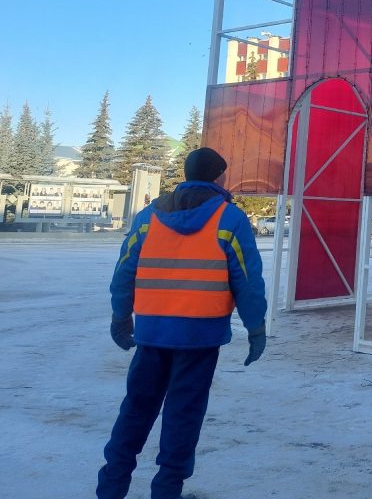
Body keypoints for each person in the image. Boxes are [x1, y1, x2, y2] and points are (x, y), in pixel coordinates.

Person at [96, 147, 267, 499]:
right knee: (183, 414)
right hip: (199, 338)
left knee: (136, 408)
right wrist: (256, 327)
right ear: (218, 177)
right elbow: (248, 279)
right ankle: (167, 490)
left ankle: (111, 487)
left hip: (151, 334)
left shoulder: (149, 216)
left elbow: (124, 269)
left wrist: (120, 315)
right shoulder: (230, 219)